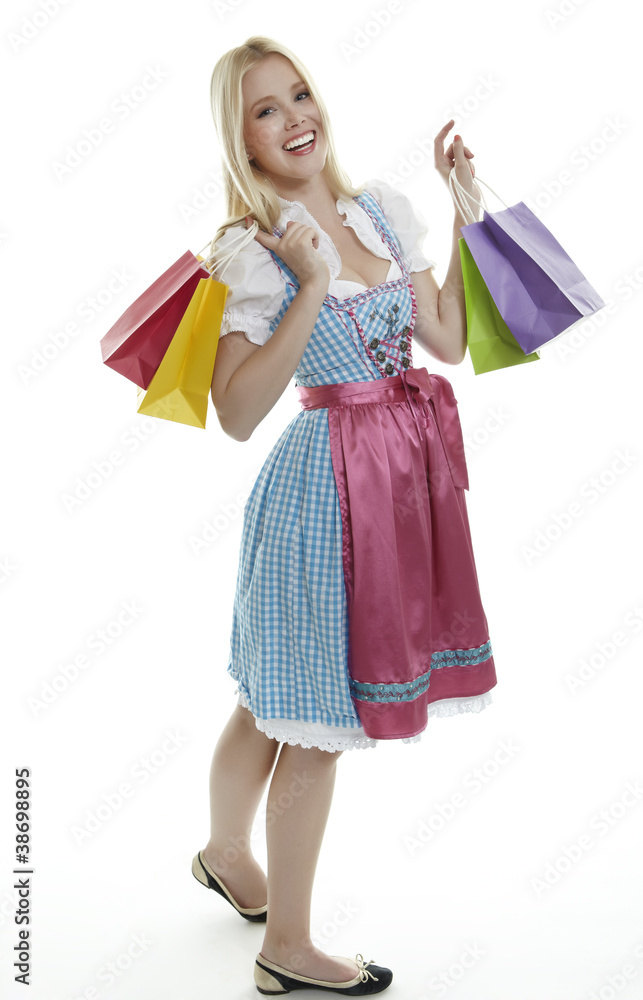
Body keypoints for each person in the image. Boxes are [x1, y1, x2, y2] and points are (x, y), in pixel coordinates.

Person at [191, 35, 497, 996]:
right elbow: (238, 415)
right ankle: (285, 948)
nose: (293, 119)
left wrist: (461, 210)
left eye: (298, 95)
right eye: (264, 110)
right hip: (320, 493)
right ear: (237, 140)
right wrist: (311, 284)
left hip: (395, 487)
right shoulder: (246, 250)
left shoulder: (378, 212)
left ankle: (224, 855)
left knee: (272, 701)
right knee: (313, 719)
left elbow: (442, 337)